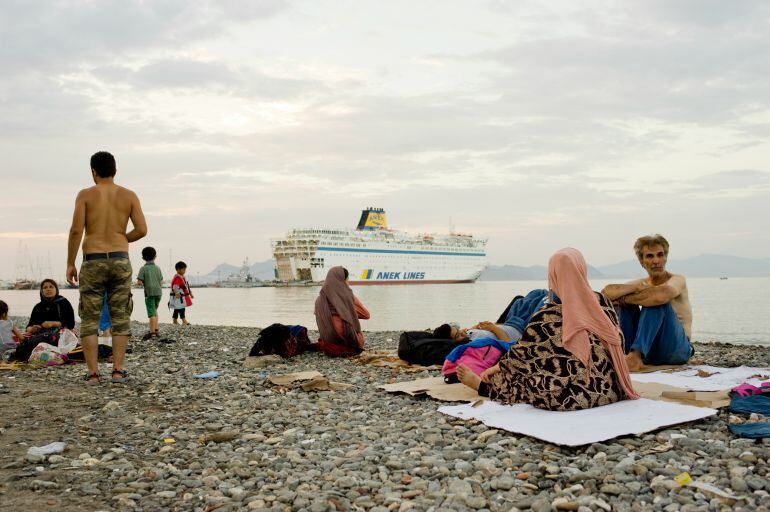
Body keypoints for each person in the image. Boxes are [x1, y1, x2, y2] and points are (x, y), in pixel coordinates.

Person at [457, 248, 639, 411]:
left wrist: (496, 368)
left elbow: (522, 355)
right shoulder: (603, 303)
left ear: (553, 275)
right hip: (612, 389)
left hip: (570, 398)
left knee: (520, 376)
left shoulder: (548, 315)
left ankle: (483, 387)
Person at [66, 151, 147, 384]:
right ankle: (118, 371)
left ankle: (93, 374)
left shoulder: (85, 195)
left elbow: (75, 230)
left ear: (93, 171)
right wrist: (122, 238)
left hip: (93, 259)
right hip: (120, 259)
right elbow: (142, 229)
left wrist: (70, 262)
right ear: (115, 170)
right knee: (120, 316)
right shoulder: (129, 195)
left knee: (90, 318)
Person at [601, 235, 693, 371]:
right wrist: (635, 289)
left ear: (665, 258)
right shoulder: (641, 283)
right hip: (650, 350)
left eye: (660, 255)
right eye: (650, 256)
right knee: (624, 306)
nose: (656, 261)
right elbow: (606, 293)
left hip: (676, 349)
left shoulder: (677, 279)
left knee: (656, 300)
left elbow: (662, 294)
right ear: (641, 262)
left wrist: (625, 299)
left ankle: (635, 357)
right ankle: (626, 353)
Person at [435, 289, 549, 343]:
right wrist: (493, 328)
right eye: (458, 335)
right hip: (523, 327)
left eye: (460, 330)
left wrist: (483, 326)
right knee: (543, 296)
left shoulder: (469, 334)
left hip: (511, 322)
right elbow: (509, 344)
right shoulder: (473, 341)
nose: (463, 331)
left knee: (530, 295)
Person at [314, 266, 370, 357]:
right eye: (347, 279)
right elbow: (366, 315)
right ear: (343, 280)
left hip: (328, 346)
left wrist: (344, 311)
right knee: (359, 333)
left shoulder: (319, 300)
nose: (348, 282)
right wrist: (348, 310)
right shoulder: (347, 297)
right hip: (346, 346)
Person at [137, 246, 164, 338]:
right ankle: (156, 329)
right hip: (159, 292)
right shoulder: (158, 268)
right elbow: (161, 280)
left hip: (149, 293)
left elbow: (139, 282)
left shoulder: (143, 269)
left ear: (143, 258)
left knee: (151, 313)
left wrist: (142, 282)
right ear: (155, 257)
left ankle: (152, 332)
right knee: (155, 310)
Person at [169, 261, 192, 325]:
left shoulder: (181, 277)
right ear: (178, 269)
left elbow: (186, 286)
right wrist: (176, 293)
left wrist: (190, 293)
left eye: (185, 270)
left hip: (180, 296)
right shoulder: (177, 278)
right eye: (183, 270)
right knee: (181, 308)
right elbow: (175, 286)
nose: (184, 271)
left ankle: (174, 320)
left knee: (177, 308)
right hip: (178, 296)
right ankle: (184, 321)